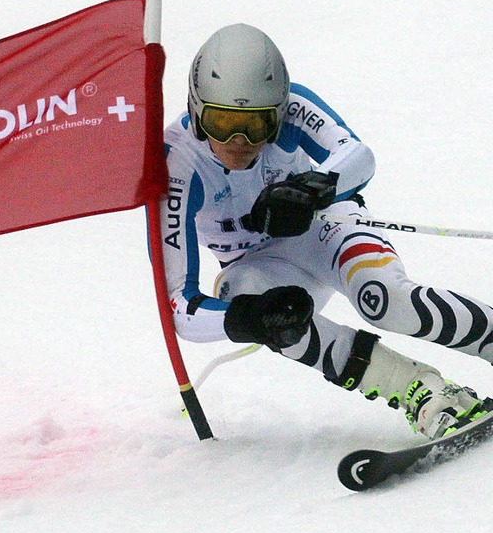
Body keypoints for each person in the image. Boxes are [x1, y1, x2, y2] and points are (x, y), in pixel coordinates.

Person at [161, 23, 493, 440]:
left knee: (384, 301)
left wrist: (310, 189)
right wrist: (247, 319)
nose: (239, 140)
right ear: (194, 109)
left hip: (326, 228)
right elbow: (179, 305)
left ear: (278, 114)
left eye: (258, 125)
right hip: (260, 268)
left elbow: (358, 155)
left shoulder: (295, 105)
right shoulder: (178, 162)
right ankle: (421, 393)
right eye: (221, 121)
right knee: (269, 315)